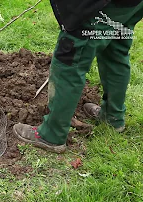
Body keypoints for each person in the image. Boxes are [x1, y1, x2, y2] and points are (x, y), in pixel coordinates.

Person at [13, 0, 143, 153]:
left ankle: (51, 134)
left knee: (70, 59)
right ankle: (113, 117)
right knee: (115, 50)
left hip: (99, 5)